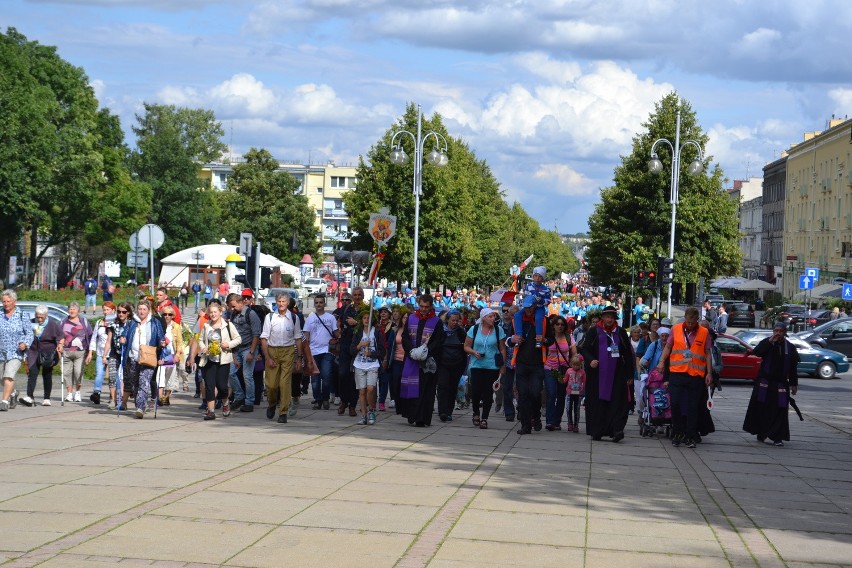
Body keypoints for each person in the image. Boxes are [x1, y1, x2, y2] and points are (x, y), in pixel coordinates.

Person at [655, 306, 713, 448]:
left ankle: (690, 435)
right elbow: (668, 347)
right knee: (675, 404)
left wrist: (709, 373)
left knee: (693, 407)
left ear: (697, 320)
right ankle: (678, 432)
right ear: (685, 318)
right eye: (688, 321)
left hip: (696, 375)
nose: (690, 325)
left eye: (693, 322)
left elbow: (707, 353)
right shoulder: (676, 329)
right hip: (677, 372)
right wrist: (661, 362)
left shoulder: (704, 332)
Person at [580, 305, 632, 442]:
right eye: (607, 316)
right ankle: (597, 430)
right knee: (598, 403)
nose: (609, 319)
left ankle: (616, 430)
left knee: (617, 402)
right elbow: (584, 349)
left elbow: (627, 354)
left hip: (617, 373)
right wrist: (591, 360)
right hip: (598, 374)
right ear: (602, 317)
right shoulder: (594, 331)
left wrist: (630, 374)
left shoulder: (620, 332)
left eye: (612, 317)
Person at [743, 321, 799, 446]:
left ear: (785, 333)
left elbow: (793, 368)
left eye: (780, 331)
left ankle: (777, 437)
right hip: (765, 383)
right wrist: (769, 341)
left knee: (780, 410)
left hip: (780, 384)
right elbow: (757, 352)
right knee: (762, 409)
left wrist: (794, 384)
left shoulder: (790, 348)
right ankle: (761, 433)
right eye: (776, 331)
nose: (778, 333)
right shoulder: (767, 343)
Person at [399, 294, 446, 426]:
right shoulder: (411, 318)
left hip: (427, 361)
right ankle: (411, 414)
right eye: (421, 306)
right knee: (412, 386)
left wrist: (425, 351)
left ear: (431, 306)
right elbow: (405, 337)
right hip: (412, 359)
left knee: (426, 390)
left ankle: (422, 418)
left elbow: (438, 340)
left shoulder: (436, 321)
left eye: (426, 307)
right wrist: (411, 351)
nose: (423, 309)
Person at [260, 292, 303, 423]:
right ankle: (272, 403)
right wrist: (267, 357)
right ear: (276, 302)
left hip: (288, 351)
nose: (281, 304)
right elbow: (264, 338)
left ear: (288, 303)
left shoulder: (294, 318)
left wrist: (299, 358)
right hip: (273, 350)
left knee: (284, 383)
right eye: (279, 301)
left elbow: (298, 338)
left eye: (284, 301)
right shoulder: (270, 317)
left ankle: (283, 412)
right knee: (272, 385)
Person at [120, 299, 165, 418]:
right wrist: (123, 338)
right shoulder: (131, 322)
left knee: (144, 382)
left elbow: (160, 337)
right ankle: (140, 404)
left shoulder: (155, 322)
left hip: (148, 357)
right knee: (135, 384)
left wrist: (162, 343)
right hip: (133, 356)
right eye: (140, 309)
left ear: (148, 310)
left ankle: (140, 407)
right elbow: (124, 333)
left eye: (144, 309)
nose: (141, 311)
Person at [197, 299, 241, 420]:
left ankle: (225, 402)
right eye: (211, 312)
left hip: (223, 360)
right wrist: (204, 347)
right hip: (209, 360)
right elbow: (200, 340)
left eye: (215, 312)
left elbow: (238, 339)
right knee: (210, 386)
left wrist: (228, 344)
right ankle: (210, 411)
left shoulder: (228, 325)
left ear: (220, 312)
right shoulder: (206, 326)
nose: (213, 314)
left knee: (222, 386)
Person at [510, 295, 547, 434]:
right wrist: (513, 339)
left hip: (537, 364)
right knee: (523, 395)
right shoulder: (517, 320)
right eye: (525, 307)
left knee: (535, 393)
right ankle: (525, 425)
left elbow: (550, 340)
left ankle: (536, 416)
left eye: (530, 307)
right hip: (521, 363)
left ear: (535, 307)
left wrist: (544, 339)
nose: (528, 310)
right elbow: (508, 340)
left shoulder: (543, 321)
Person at [464, 307, 506, 430]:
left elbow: (502, 348)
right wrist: (473, 352)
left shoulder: (498, 330)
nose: (493, 318)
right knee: (476, 392)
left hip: (492, 366)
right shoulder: (474, 329)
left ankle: (484, 418)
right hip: (477, 365)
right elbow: (466, 346)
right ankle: (476, 412)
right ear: (483, 318)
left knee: (488, 393)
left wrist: (502, 365)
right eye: (490, 316)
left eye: (494, 316)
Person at [226, 292, 261, 413]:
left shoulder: (251, 314)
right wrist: (233, 353)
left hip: (248, 348)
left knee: (247, 376)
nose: (232, 308)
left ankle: (249, 402)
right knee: (230, 373)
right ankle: (239, 396)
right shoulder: (233, 314)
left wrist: (252, 352)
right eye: (231, 306)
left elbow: (256, 334)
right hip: (237, 349)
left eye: (234, 306)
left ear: (241, 303)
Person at [303, 293, 338, 411]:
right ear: (314, 304)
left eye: (321, 302)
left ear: (324, 303)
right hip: (313, 351)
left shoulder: (331, 318)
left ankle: (326, 398)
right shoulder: (310, 318)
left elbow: (336, 333)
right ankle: (318, 400)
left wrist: (339, 335)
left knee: (327, 376)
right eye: (317, 302)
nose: (319, 304)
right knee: (315, 379)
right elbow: (306, 335)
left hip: (327, 350)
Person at [351, 311, 386, 425]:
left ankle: (371, 410)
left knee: (370, 389)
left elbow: (382, 351)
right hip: (359, 364)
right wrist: (360, 345)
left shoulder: (376, 333)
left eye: (368, 318)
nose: (366, 320)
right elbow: (351, 350)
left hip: (372, 364)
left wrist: (371, 354)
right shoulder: (358, 333)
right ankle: (363, 415)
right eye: (364, 318)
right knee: (362, 391)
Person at [334, 288, 365, 417]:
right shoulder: (347, 309)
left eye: (359, 295)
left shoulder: (366, 310)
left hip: (359, 346)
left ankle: (352, 405)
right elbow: (341, 324)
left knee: (354, 377)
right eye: (355, 295)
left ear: (363, 296)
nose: (357, 297)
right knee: (342, 374)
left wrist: (356, 322)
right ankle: (343, 400)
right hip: (346, 345)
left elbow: (370, 326)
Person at [543, 315, 576, 431]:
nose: (560, 326)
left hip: (564, 370)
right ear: (553, 326)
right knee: (551, 394)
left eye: (562, 324)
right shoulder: (548, 338)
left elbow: (574, 354)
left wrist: (575, 364)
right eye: (558, 324)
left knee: (561, 396)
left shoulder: (569, 338)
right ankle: (550, 421)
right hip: (550, 369)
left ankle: (557, 421)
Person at [22, 305, 57, 407]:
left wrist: (59, 345)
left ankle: (46, 398)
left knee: (47, 375)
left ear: (46, 315)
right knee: (32, 373)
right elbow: (25, 334)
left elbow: (60, 336)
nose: (39, 319)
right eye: (38, 317)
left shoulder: (52, 324)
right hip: (33, 352)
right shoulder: (31, 322)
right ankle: (29, 396)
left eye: (41, 317)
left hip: (48, 353)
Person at [435, 309, 467, 422]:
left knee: (453, 388)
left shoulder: (461, 332)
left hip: (456, 364)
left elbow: (465, 348)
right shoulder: (440, 331)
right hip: (442, 363)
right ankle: (442, 411)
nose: (455, 323)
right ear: (447, 320)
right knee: (443, 386)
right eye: (453, 320)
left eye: (457, 321)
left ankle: (449, 411)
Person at [60, 302, 93, 402]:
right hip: (66, 352)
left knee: (78, 372)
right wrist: (59, 345)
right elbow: (59, 335)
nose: (72, 311)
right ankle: (69, 393)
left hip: (80, 352)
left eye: (74, 309)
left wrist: (90, 351)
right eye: (70, 308)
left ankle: (77, 392)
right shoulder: (63, 322)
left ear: (78, 311)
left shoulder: (83, 321)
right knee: (66, 373)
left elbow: (90, 335)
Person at [103, 302, 133, 409]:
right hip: (115, 353)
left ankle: (124, 402)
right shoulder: (113, 324)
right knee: (112, 376)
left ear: (128, 313)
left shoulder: (132, 324)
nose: (121, 314)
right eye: (119, 312)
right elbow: (108, 340)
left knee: (127, 378)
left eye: (123, 312)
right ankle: (113, 400)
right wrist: (104, 355)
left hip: (127, 354)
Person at [514, 266, 551, 348]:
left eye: (540, 276)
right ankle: (519, 337)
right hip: (528, 307)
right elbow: (527, 295)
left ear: (543, 278)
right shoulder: (529, 285)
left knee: (538, 318)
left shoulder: (546, 289)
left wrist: (541, 301)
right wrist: (524, 296)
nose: (537, 278)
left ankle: (538, 339)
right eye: (536, 276)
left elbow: (548, 301)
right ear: (533, 276)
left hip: (539, 308)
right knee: (517, 315)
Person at [88, 301, 117, 405]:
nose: (106, 312)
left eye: (108, 310)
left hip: (113, 353)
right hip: (101, 352)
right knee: (99, 373)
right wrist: (90, 352)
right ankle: (97, 393)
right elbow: (94, 338)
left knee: (113, 376)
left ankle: (114, 396)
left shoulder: (117, 322)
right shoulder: (99, 322)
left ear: (113, 310)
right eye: (104, 310)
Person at [156, 306, 183, 406]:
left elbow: (180, 342)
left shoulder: (176, 327)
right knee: (160, 374)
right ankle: (159, 397)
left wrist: (177, 354)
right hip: (161, 354)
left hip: (171, 354)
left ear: (173, 316)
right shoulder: (159, 325)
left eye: (169, 314)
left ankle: (166, 396)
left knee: (170, 376)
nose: (167, 316)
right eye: (165, 314)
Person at [564, 355, 586, 432]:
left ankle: (576, 425)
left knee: (577, 409)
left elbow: (584, 382)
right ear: (571, 364)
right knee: (568, 408)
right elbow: (565, 380)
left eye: (577, 365)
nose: (575, 367)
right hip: (569, 392)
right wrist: (559, 377)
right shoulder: (568, 371)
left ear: (580, 365)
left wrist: (582, 390)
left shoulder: (582, 372)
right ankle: (570, 423)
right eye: (574, 365)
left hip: (578, 393)